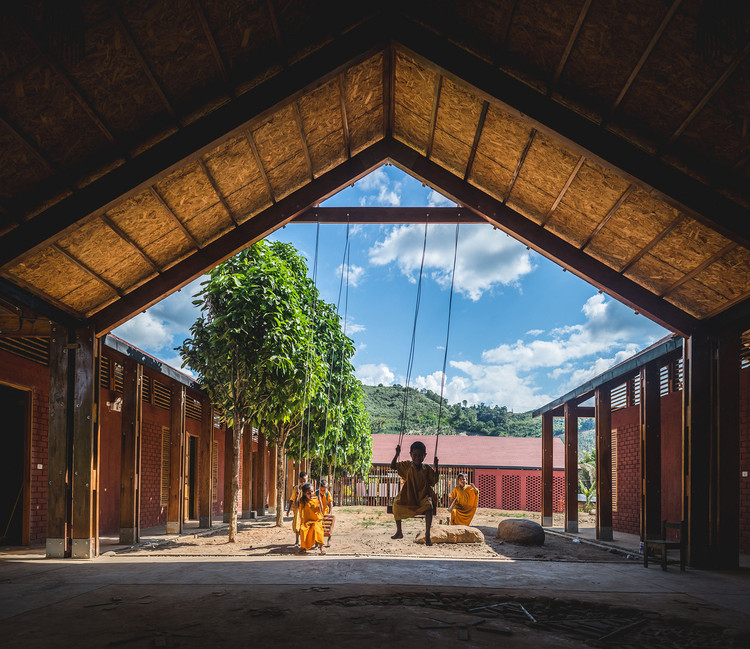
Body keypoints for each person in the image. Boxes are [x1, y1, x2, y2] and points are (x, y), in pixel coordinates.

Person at [390, 440, 439, 546]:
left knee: (429, 506)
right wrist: (397, 454)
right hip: (408, 496)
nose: (417, 457)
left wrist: (437, 467)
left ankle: (427, 534)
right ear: (410, 455)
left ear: (425, 455)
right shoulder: (407, 465)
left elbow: (434, 480)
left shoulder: (427, 469)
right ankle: (399, 531)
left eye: (420, 455)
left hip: (422, 497)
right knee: (396, 504)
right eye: (415, 455)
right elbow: (393, 466)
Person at [298, 483, 326, 555]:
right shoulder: (302, 501)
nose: (311, 494)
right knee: (303, 530)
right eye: (308, 493)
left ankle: (322, 547)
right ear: (304, 494)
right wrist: (298, 495)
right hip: (307, 522)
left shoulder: (316, 499)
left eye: (312, 492)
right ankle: (303, 547)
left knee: (316, 529)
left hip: (316, 521)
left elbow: (321, 510)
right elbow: (296, 505)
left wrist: (320, 501)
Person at [286, 471, 308, 546]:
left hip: (305, 510)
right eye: (301, 481)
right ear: (299, 481)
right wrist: (288, 510)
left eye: (304, 481)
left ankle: (304, 540)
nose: (303, 483)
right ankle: (297, 540)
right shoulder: (296, 489)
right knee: (297, 525)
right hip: (297, 510)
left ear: (307, 480)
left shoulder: (308, 489)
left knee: (304, 525)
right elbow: (291, 500)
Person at [316, 478, 334, 547]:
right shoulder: (316, 493)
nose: (323, 491)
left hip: (326, 512)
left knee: (328, 526)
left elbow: (330, 502)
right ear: (319, 488)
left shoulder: (327, 493)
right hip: (318, 513)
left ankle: (329, 539)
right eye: (321, 490)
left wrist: (330, 512)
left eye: (324, 490)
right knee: (319, 527)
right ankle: (317, 541)